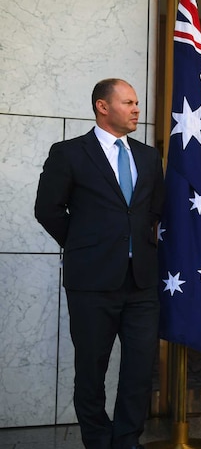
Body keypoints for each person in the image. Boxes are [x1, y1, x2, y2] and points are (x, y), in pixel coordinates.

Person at [34, 78, 165, 449]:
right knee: (90, 371)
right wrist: (82, 246)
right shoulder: (69, 153)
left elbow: (154, 208)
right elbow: (47, 210)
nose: (137, 109)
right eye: (128, 102)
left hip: (141, 282)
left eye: (137, 102)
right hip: (91, 282)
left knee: (139, 371)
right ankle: (97, 440)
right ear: (102, 107)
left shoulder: (148, 156)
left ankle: (126, 441)